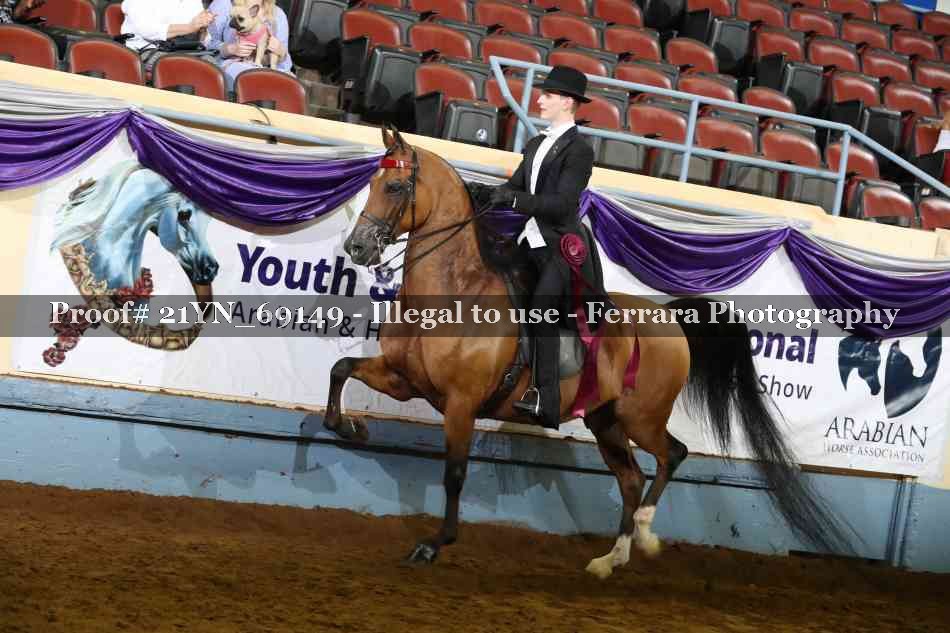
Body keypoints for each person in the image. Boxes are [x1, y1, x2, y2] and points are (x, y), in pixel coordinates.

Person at [471, 65, 597, 429]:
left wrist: (512, 200)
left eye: (548, 95)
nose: (540, 100)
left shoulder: (579, 151)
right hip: (529, 239)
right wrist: (482, 193)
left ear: (568, 102)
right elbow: (515, 186)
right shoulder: (536, 143)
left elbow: (561, 204)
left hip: (560, 246)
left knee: (541, 309)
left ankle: (545, 396)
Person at [205, 0, 293, 91]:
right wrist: (229, 49)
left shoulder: (278, 14)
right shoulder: (223, 4)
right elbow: (206, 43)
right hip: (235, 68)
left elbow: (285, 63)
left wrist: (280, 51)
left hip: (268, 71)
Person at [119, 0, 215, 69]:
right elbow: (146, 30)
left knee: (212, 65)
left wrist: (202, 29)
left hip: (183, 49)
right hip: (147, 48)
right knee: (187, 67)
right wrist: (189, 27)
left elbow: (205, 40)